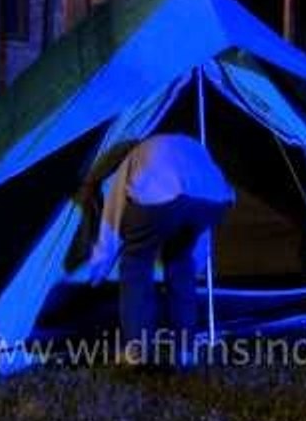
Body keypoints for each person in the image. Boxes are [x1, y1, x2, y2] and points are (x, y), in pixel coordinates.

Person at [70, 133, 235, 369]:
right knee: (180, 264)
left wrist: (98, 269)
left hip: (162, 199)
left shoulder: (131, 162)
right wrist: (198, 263)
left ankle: (136, 352)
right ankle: (185, 352)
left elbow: (112, 219)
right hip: (215, 200)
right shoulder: (183, 146)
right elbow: (201, 227)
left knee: (136, 263)